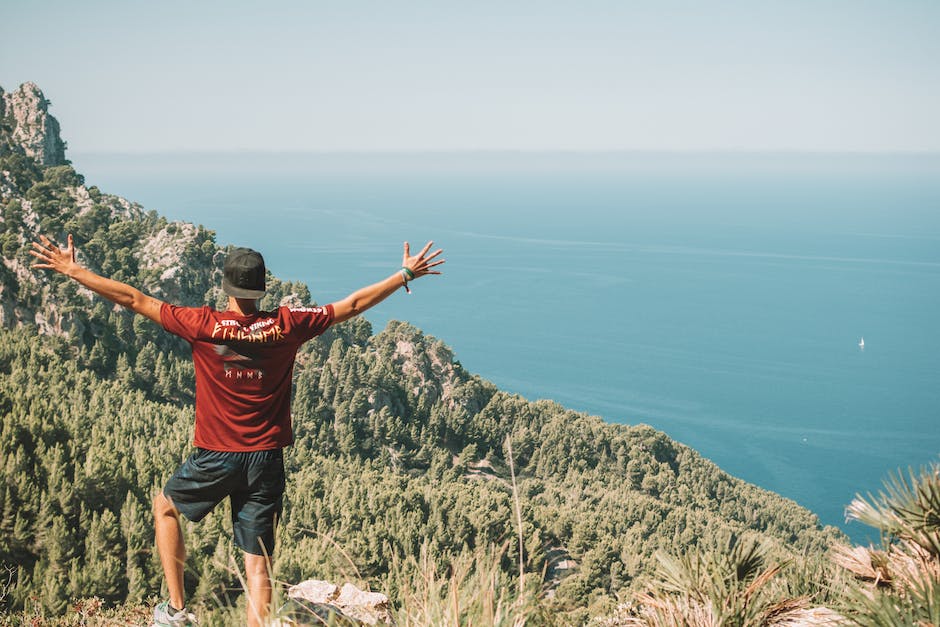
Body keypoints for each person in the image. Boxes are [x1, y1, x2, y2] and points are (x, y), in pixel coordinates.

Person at [31, 234, 444, 627]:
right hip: (266, 459)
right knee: (258, 561)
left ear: (225, 286)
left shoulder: (202, 324)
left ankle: (176, 611)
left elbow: (133, 298)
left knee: (165, 508)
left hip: (216, 455)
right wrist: (404, 274)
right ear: (262, 289)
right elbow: (351, 305)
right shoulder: (288, 325)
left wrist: (74, 271)